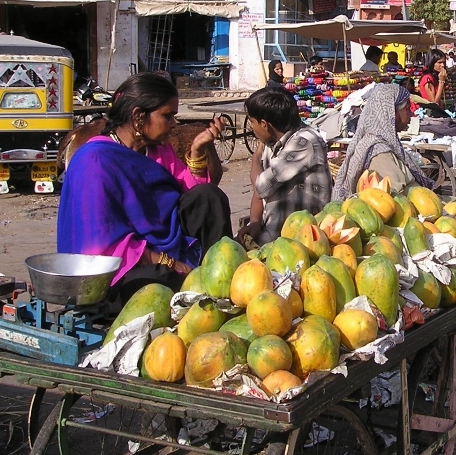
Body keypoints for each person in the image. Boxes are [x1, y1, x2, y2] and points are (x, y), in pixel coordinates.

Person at [57, 73, 232, 294]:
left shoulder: (157, 150)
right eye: (168, 116)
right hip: (120, 264)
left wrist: (197, 149)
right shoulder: (95, 160)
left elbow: (191, 196)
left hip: (165, 246)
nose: (173, 124)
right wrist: (166, 261)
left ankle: (220, 277)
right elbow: (102, 242)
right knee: (157, 281)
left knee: (209, 197)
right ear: (139, 116)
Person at [243, 87, 332, 244]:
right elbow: (259, 193)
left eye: (251, 121)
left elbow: (261, 186)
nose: (251, 127)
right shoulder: (271, 142)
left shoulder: (305, 141)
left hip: (299, 241)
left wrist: (255, 157)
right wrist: (254, 222)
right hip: (271, 234)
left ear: (264, 124)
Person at [332, 83, 434, 199]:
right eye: (407, 109)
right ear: (391, 112)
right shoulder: (379, 152)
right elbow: (396, 197)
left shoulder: (384, 143)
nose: (411, 115)